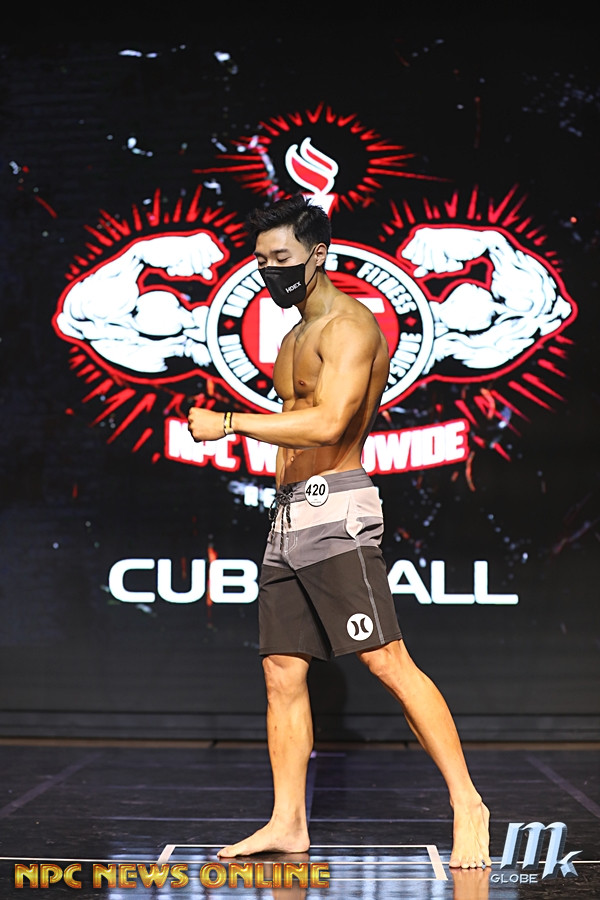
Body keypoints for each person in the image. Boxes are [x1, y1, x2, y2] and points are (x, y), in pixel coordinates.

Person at [187, 193, 491, 870]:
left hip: (336, 512)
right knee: (281, 671)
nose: (269, 270)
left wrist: (229, 423)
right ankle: (288, 822)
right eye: (261, 259)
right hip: (290, 514)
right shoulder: (292, 338)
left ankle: (468, 803)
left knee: (387, 661)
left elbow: (327, 424)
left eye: (282, 257)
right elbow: (294, 424)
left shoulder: (349, 327)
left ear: (317, 254)